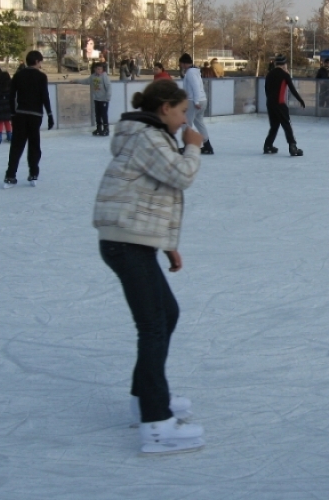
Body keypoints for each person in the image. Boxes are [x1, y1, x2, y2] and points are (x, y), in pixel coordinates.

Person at [93, 78, 205, 454]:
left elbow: (160, 194)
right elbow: (181, 177)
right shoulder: (147, 138)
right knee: (154, 324)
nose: (184, 120)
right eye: (182, 111)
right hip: (125, 242)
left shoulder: (149, 135)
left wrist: (167, 245)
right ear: (164, 109)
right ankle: (156, 425)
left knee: (165, 315)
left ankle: (145, 400)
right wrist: (193, 149)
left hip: (133, 240)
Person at [3, 51, 54, 188]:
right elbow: (45, 96)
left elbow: (12, 96)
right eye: (40, 62)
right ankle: (33, 174)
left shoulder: (18, 75)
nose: (40, 65)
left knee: (16, 146)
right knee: (34, 145)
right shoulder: (41, 77)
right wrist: (49, 114)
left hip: (20, 114)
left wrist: (13, 113)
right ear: (37, 61)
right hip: (35, 115)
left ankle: (10, 175)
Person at [263, 54, 305, 156]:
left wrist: (270, 101)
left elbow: (266, 89)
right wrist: (300, 100)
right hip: (280, 104)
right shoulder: (285, 75)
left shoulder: (269, 74)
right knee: (286, 125)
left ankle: (268, 146)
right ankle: (292, 146)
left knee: (274, 126)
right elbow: (292, 89)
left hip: (270, 103)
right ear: (284, 64)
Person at [178, 53, 213, 155]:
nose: (180, 66)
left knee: (185, 123)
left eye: (180, 64)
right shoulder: (195, 72)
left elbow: (196, 87)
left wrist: (196, 102)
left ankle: (187, 146)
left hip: (194, 101)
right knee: (199, 123)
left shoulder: (190, 73)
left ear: (184, 63)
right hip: (202, 100)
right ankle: (207, 146)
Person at [72, 62, 113, 136]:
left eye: (100, 69)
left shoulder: (104, 76)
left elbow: (108, 87)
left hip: (104, 99)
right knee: (97, 114)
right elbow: (85, 81)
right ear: (95, 69)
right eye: (98, 69)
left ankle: (106, 129)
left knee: (104, 114)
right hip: (96, 99)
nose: (99, 70)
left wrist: (107, 98)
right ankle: (99, 128)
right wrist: (76, 80)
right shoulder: (93, 77)